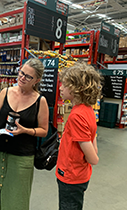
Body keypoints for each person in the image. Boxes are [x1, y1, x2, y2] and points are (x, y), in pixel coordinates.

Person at [0, 58, 49, 210]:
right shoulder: (5, 92)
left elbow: (43, 131)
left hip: (22, 158)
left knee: (17, 199)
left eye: (28, 77)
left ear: (36, 80)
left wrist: (25, 131)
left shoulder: (40, 101)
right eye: (21, 73)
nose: (22, 78)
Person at [56, 62, 102, 210]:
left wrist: (93, 155)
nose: (60, 87)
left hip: (71, 176)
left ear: (78, 89)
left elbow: (93, 159)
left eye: (64, 84)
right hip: (80, 174)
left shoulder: (76, 116)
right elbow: (92, 136)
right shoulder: (87, 109)